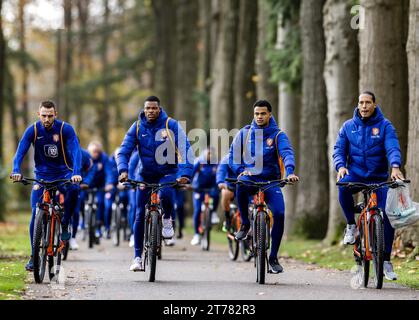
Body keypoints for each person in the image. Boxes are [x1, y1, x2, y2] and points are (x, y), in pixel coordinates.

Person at [333, 91, 404, 281]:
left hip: (379, 178)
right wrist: (340, 167)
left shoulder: (385, 125)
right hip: (355, 175)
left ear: (374, 104)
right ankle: (351, 226)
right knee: (342, 186)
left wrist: (395, 166)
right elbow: (338, 150)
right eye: (361, 103)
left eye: (367, 103)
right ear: (357, 105)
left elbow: (392, 147)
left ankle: (386, 261)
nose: (363, 106)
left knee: (387, 214)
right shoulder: (348, 126)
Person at [117, 96, 194, 271]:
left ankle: (167, 219)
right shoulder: (137, 127)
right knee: (138, 213)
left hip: (168, 172)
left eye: (154, 108)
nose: (150, 111)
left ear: (159, 109)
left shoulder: (171, 125)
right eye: (147, 108)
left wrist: (185, 174)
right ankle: (137, 257)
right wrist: (123, 170)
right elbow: (124, 151)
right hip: (145, 174)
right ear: (144, 110)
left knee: (166, 194)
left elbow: (186, 149)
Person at [10, 100, 82, 271]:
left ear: (55, 114)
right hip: (41, 177)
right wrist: (16, 169)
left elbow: (76, 150)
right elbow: (21, 150)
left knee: (74, 190)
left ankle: (65, 223)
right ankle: (34, 257)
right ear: (38, 114)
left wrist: (76, 173)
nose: (47, 119)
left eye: (50, 116)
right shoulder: (33, 130)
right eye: (44, 115)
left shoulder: (66, 129)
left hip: (64, 174)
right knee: (36, 214)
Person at [230, 100, 299, 274]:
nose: (259, 117)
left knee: (280, 213)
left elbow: (287, 154)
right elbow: (233, 156)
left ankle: (274, 257)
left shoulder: (278, 135)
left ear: (269, 114)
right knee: (240, 185)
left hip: (271, 181)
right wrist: (241, 170)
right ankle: (245, 224)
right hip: (250, 178)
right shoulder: (244, 134)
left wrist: (290, 171)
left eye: (263, 113)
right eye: (256, 114)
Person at [190, 149, 220, 246]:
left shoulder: (216, 164)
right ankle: (196, 235)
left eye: (211, 154)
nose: (209, 156)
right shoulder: (199, 162)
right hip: (198, 189)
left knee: (216, 195)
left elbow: (220, 175)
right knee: (198, 210)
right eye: (208, 154)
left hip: (211, 189)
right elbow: (192, 174)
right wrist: (187, 183)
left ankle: (213, 212)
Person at [70, 148, 96, 250]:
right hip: (61, 184)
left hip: (76, 186)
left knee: (75, 212)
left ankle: (72, 237)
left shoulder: (84, 155)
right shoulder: (57, 149)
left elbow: (91, 169)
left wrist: (86, 182)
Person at [87, 141, 111, 239]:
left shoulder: (104, 158)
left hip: (101, 185)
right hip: (87, 184)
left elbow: (108, 171)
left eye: (97, 151)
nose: (95, 154)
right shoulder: (86, 158)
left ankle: (99, 227)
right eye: (93, 152)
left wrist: (109, 184)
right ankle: (84, 221)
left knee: (100, 203)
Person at [104, 148, 129, 240]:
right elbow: (109, 173)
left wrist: (124, 183)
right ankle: (107, 228)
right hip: (112, 186)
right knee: (108, 206)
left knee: (125, 200)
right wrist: (110, 183)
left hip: (124, 186)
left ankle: (125, 222)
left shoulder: (127, 160)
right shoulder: (110, 162)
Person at [216, 154, 237, 232]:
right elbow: (221, 170)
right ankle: (227, 217)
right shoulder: (227, 158)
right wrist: (220, 182)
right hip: (230, 185)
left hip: (245, 184)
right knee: (224, 193)